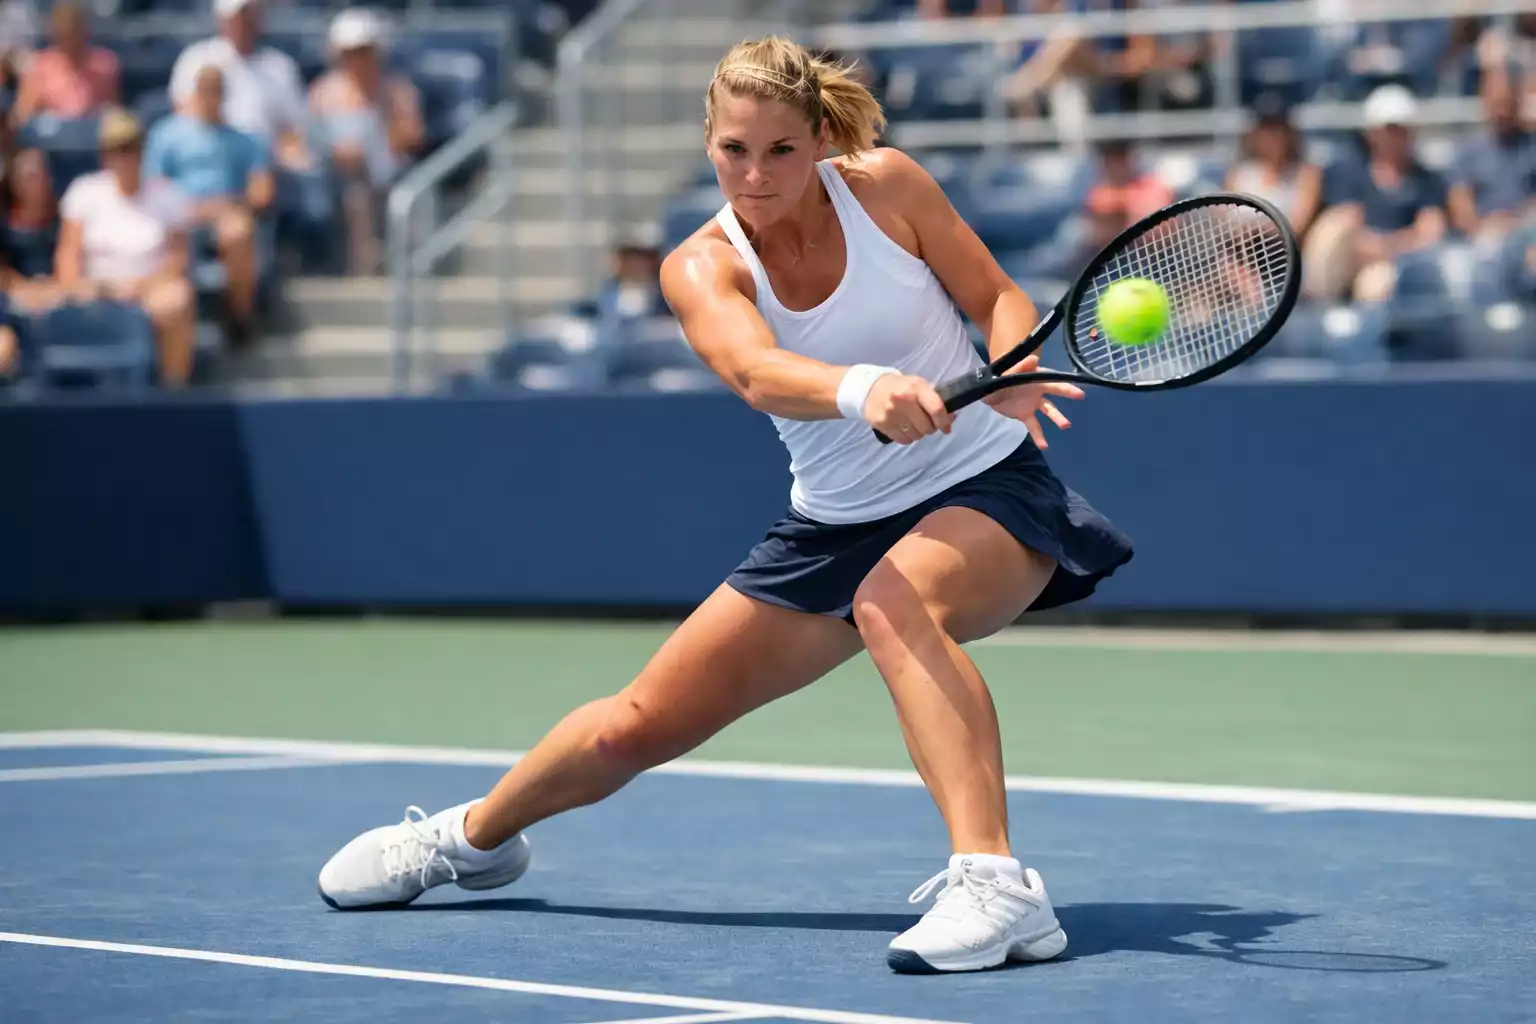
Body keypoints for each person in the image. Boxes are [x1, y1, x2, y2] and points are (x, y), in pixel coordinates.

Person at [316, 36, 1134, 976]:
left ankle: (998, 887)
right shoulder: (701, 265)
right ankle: (469, 840)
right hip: (833, 526)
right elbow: (755, 370)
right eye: (733, 151)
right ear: (708, 143)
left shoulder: (889, 187)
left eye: (780, 151)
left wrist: (1013, 367)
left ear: (820, 139)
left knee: (894, 600)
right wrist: (865, 387)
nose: (755, 174)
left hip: (987, 486)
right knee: (632, 725)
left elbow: (995, 295)